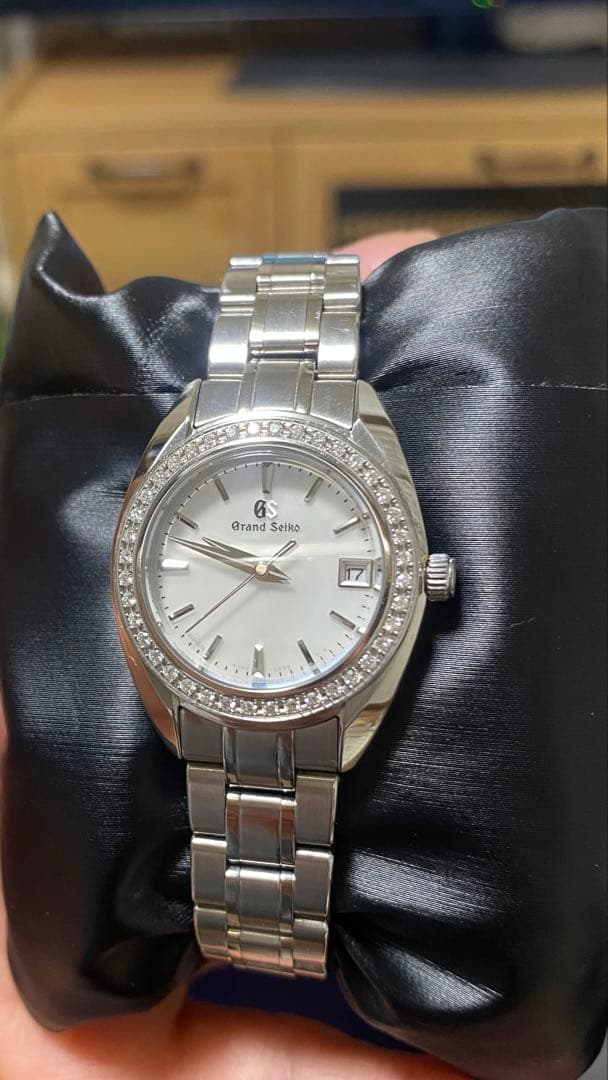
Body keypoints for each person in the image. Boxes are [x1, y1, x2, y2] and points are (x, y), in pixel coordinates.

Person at [0, 230, 470, 1079]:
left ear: (422, 579)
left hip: (316, 692)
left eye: (269, 563)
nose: (263, 566)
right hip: (213, 684)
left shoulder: (357, 467)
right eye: (251, 561)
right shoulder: (168, 522)